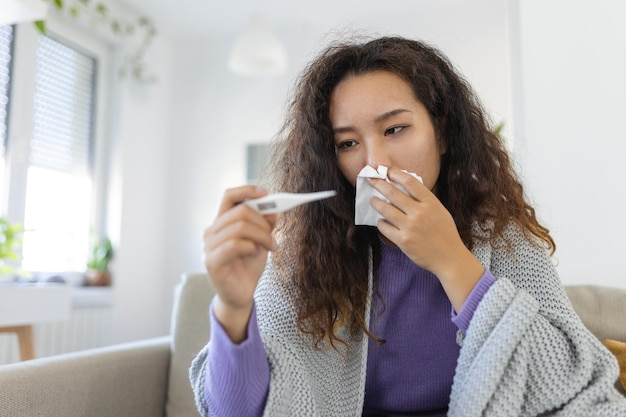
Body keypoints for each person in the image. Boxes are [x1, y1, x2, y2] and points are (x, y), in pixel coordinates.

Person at [190, 35, 626, 416]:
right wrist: (232, 308)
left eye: (395, 129)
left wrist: (453, 262)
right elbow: (236, 411)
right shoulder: (303, 256)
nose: (375, 162)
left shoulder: (503, 239)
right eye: (347, 143)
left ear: (443, 131)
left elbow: (571, 386)